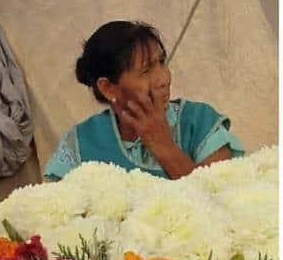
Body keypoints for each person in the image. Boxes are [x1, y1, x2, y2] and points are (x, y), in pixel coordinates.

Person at [44, 21, 243, 181]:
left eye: (162, 62)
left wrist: (164, 145)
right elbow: (57, 217)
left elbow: (222, 205)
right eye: (146, 70)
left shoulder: (201, 122)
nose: (164, 79)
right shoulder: (81, 142)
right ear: (108, 87)